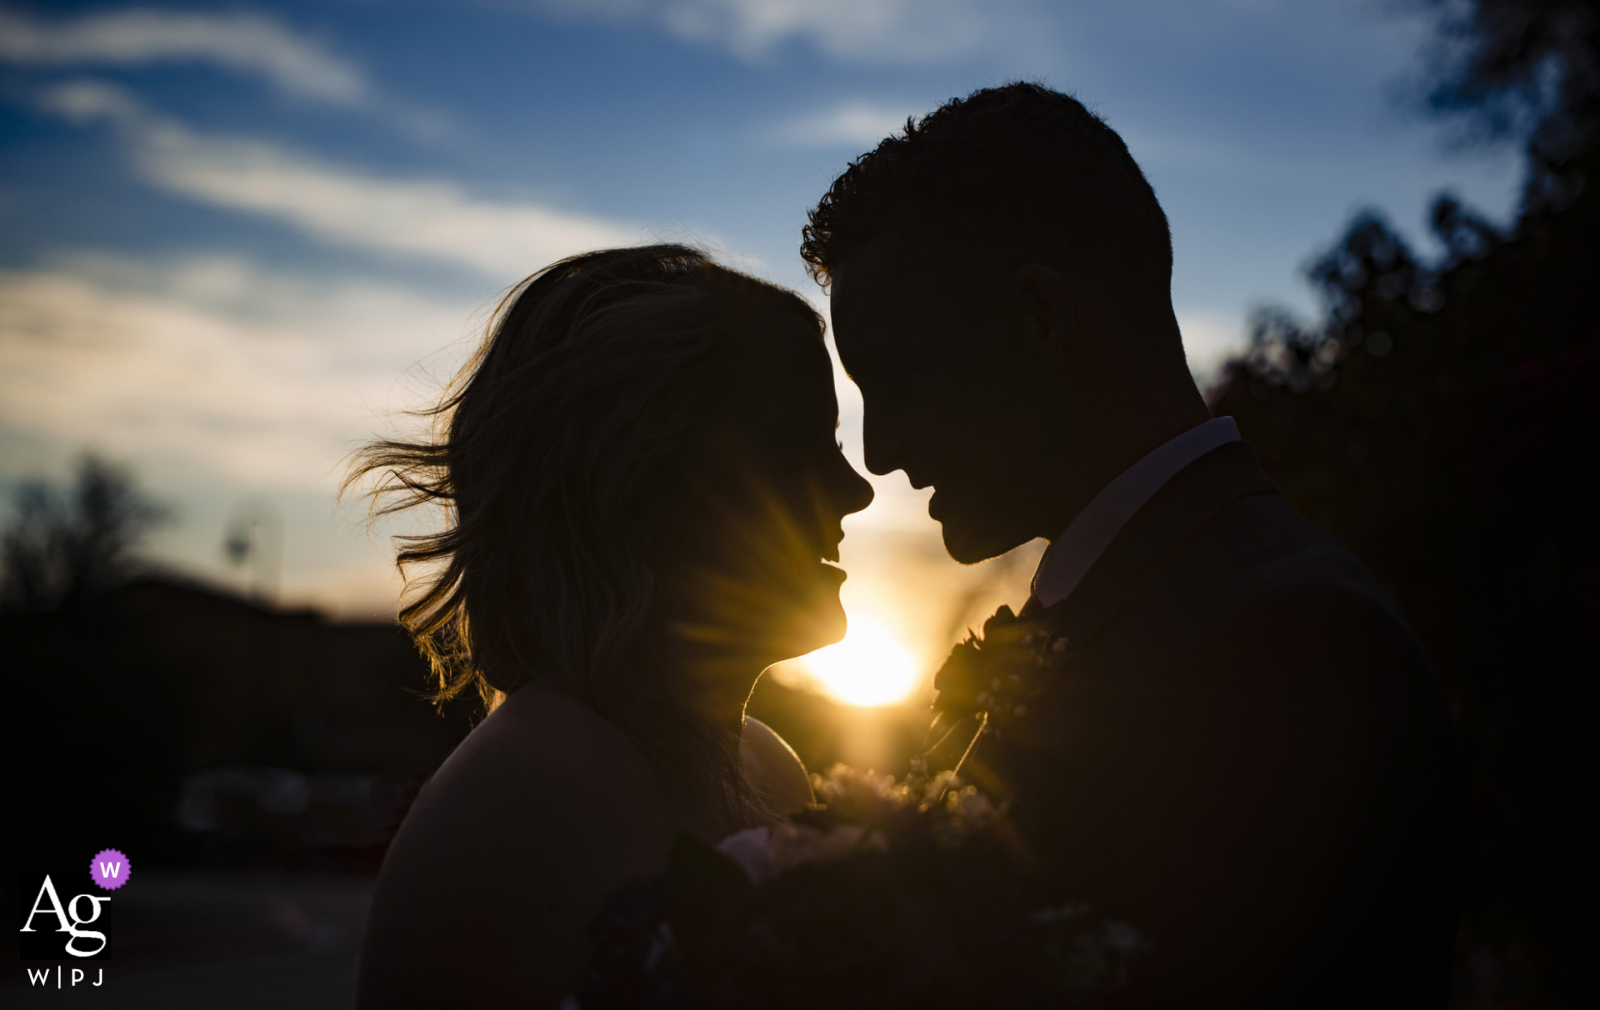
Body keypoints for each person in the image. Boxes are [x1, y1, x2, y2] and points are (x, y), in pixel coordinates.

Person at [804, 83, 1467, 1008]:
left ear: (1042, 317)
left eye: (898, 378)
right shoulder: (1161, 599)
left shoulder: (1285, 641)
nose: (879, 453)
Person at [350, 245, 874, 1009]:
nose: (855, 491)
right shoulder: (546, 781)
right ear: (643, 487)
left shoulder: (766, 763)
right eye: (798, 446)